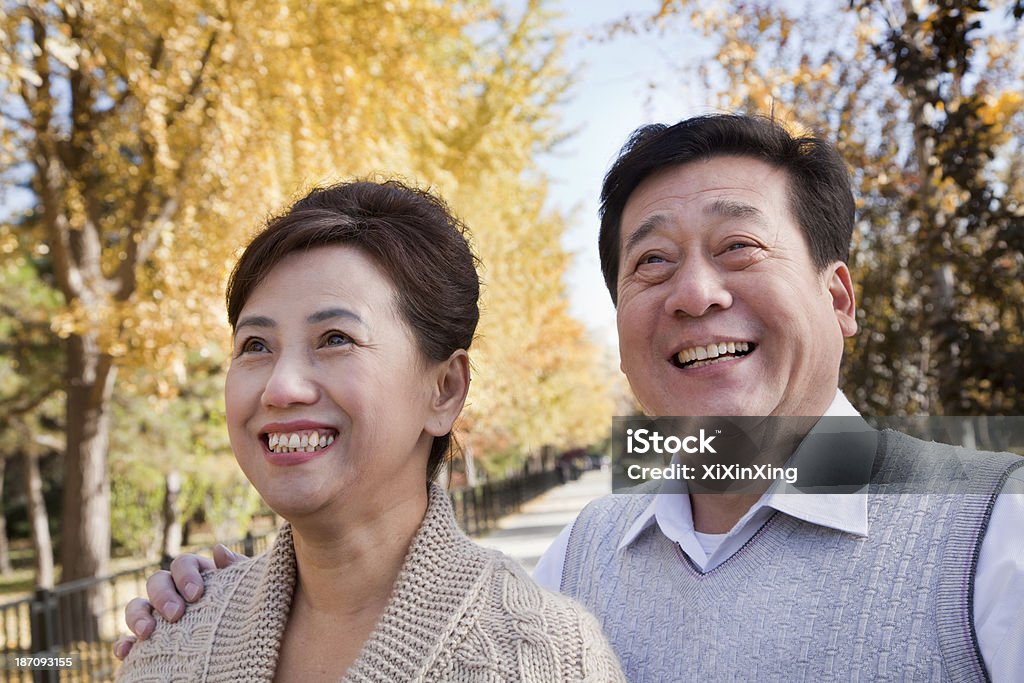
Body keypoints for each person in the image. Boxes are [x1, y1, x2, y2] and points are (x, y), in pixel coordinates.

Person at [120, 115, 1024, 680]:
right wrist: (210, 596)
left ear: (838, 298)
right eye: (652, 262)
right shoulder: (591, 550)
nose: (695, 293)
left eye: (739, 248)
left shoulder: (995, 532)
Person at [115, 180, 625, 681]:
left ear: (445, 390)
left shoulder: (549, 661)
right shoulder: (171, 644)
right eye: (254, 345)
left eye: (335, 338)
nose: (281, 387)